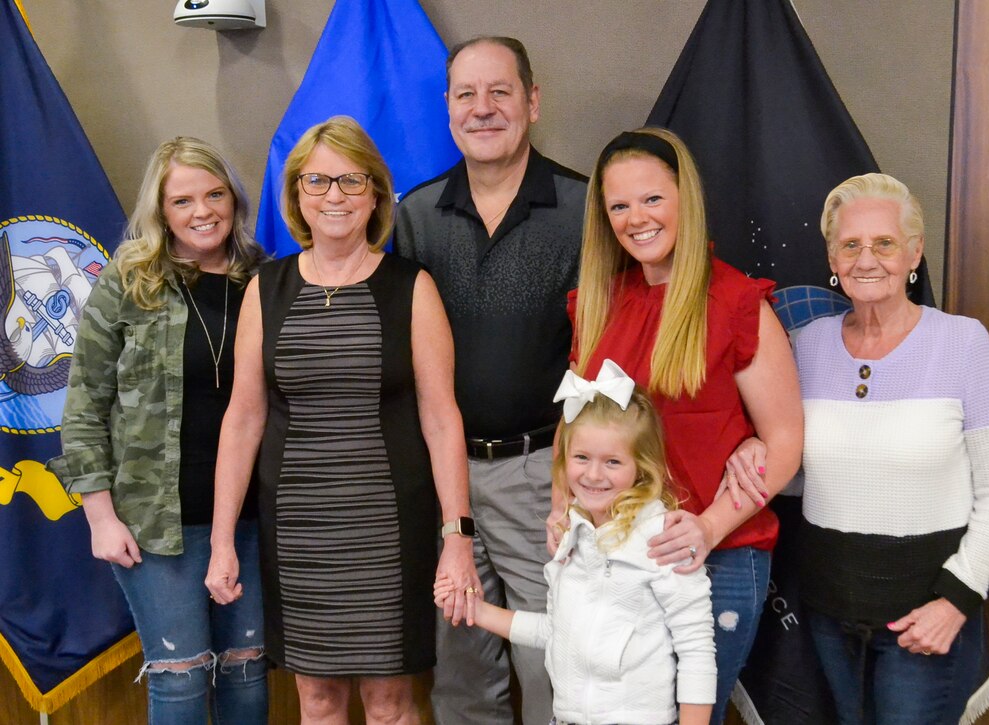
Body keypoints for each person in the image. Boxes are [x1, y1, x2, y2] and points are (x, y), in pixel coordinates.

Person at [204, 116, 478, 725]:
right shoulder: (266, 289)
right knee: (317, 700)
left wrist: (457, 536)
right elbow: (243, 419)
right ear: (296, 194)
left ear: (376, 193)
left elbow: (440, 419)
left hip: (387, 526)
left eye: (351, 181)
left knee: (389, 704)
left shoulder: (412, 287)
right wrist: (223, 541)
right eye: (318, 181)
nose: (334, 196)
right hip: (298, 528)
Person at [566, 127, 804, 723]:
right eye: (618, 206)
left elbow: (785, 443)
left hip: (713, 558)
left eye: (652, 199)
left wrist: (707, 527)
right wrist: (560, 512)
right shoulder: (598, 303)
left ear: (685, 200)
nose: (636, 218)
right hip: (614, 560)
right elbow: (577, 428)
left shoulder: (734, 302)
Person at [394, 36, 586, 725]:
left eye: (500, 92)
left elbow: (603, 356)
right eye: (466, 94)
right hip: (442, 475)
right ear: (447, 108)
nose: (483, 109)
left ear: (532, 102)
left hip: (544, 472)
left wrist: (570, 476)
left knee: (552, 662)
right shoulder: (414, 215)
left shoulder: (584, 209)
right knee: (460, 661)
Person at [49, 137, 268, 725]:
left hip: (252, 518)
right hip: (155, 525)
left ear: (235, 199)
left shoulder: (265, 279)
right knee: (182, 680)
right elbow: (84, 402)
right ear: (160, 211)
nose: (203, 211)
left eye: (215, 194)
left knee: (248, 673)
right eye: (183, 200)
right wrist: (99, 514)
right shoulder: (130, 279)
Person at [793, 173, 989, 724]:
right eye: (851, 245)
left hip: (926, 618)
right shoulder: (806, 345)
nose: (866, 259)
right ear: (832, 256)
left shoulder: (962, 342)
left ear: (914, 252)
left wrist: (956, 601)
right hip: (828, 614)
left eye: (884, 243)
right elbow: (802, 471)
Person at [436, 361, 716, 725]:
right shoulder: (572, 537)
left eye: (613, 461)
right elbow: (556, 630)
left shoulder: (665, 539)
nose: (594, 474)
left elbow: (696, 649)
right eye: (581, 458)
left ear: (641, 467)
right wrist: (476, 609)